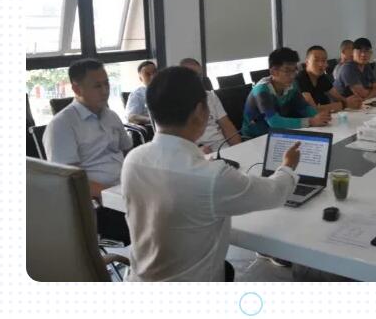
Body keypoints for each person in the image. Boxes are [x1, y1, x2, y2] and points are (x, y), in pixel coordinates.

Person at [122, 66, 301, 281]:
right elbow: (275, 193)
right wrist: (287, 166)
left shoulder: (133, 160)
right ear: (200, 111)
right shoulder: (212, 177)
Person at [43, 59, 132, 244]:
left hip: (125, 189)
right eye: (97, 86)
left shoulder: (111, 116)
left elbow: (127, 152)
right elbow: (69, 180)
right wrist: (114, 195)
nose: (105, 91)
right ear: (77, 89)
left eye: (107, 83)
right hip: (98, 205)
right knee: (156, 223)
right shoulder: (62, 125)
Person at [242, 47, 331, 138]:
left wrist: (319, 117)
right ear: (273, 72)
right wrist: (311, 121)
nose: (292, 76)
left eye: (294, 70)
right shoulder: (262, 90)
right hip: (254, 138)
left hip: (278, 134)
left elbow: (304, 107)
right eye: (287, 71)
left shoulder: (292, 86)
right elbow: (274, 122)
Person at [178, 58, 243, 153]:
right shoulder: (174, 102)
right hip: (199, 153)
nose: (197, 79)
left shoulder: (210, 96)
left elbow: (226, 125)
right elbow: (175, 140)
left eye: (199, 76)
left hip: (222, 147)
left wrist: (240, 149)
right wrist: (196, 151)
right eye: (192, 75)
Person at [296, 45, 362, 112]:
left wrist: (351, 101)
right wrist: (344, 104)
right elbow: (313, 110)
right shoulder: (300, 78)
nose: (321, 64)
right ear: (307, 62)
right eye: (316, 60)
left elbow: (339, 98)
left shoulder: (321, 77)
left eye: (324, 60)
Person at [125, 60, 157, 125]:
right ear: (140, 78)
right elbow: (131, 117)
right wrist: (151, 120)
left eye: (154, 73)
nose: (153, 77)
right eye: (147, 74)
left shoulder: (166, 89)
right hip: (152, 127)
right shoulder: (137, 94)